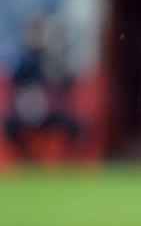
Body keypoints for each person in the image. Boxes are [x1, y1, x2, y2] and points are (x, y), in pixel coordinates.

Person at [3, 15, 82, 159]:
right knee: (9, 125)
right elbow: (15, 84)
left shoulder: (51, 57)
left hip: (48, 110)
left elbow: (66, 82)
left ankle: (70, 159)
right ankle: (24, 156)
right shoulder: (23, 59)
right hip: (25, 111)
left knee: (74, 125)